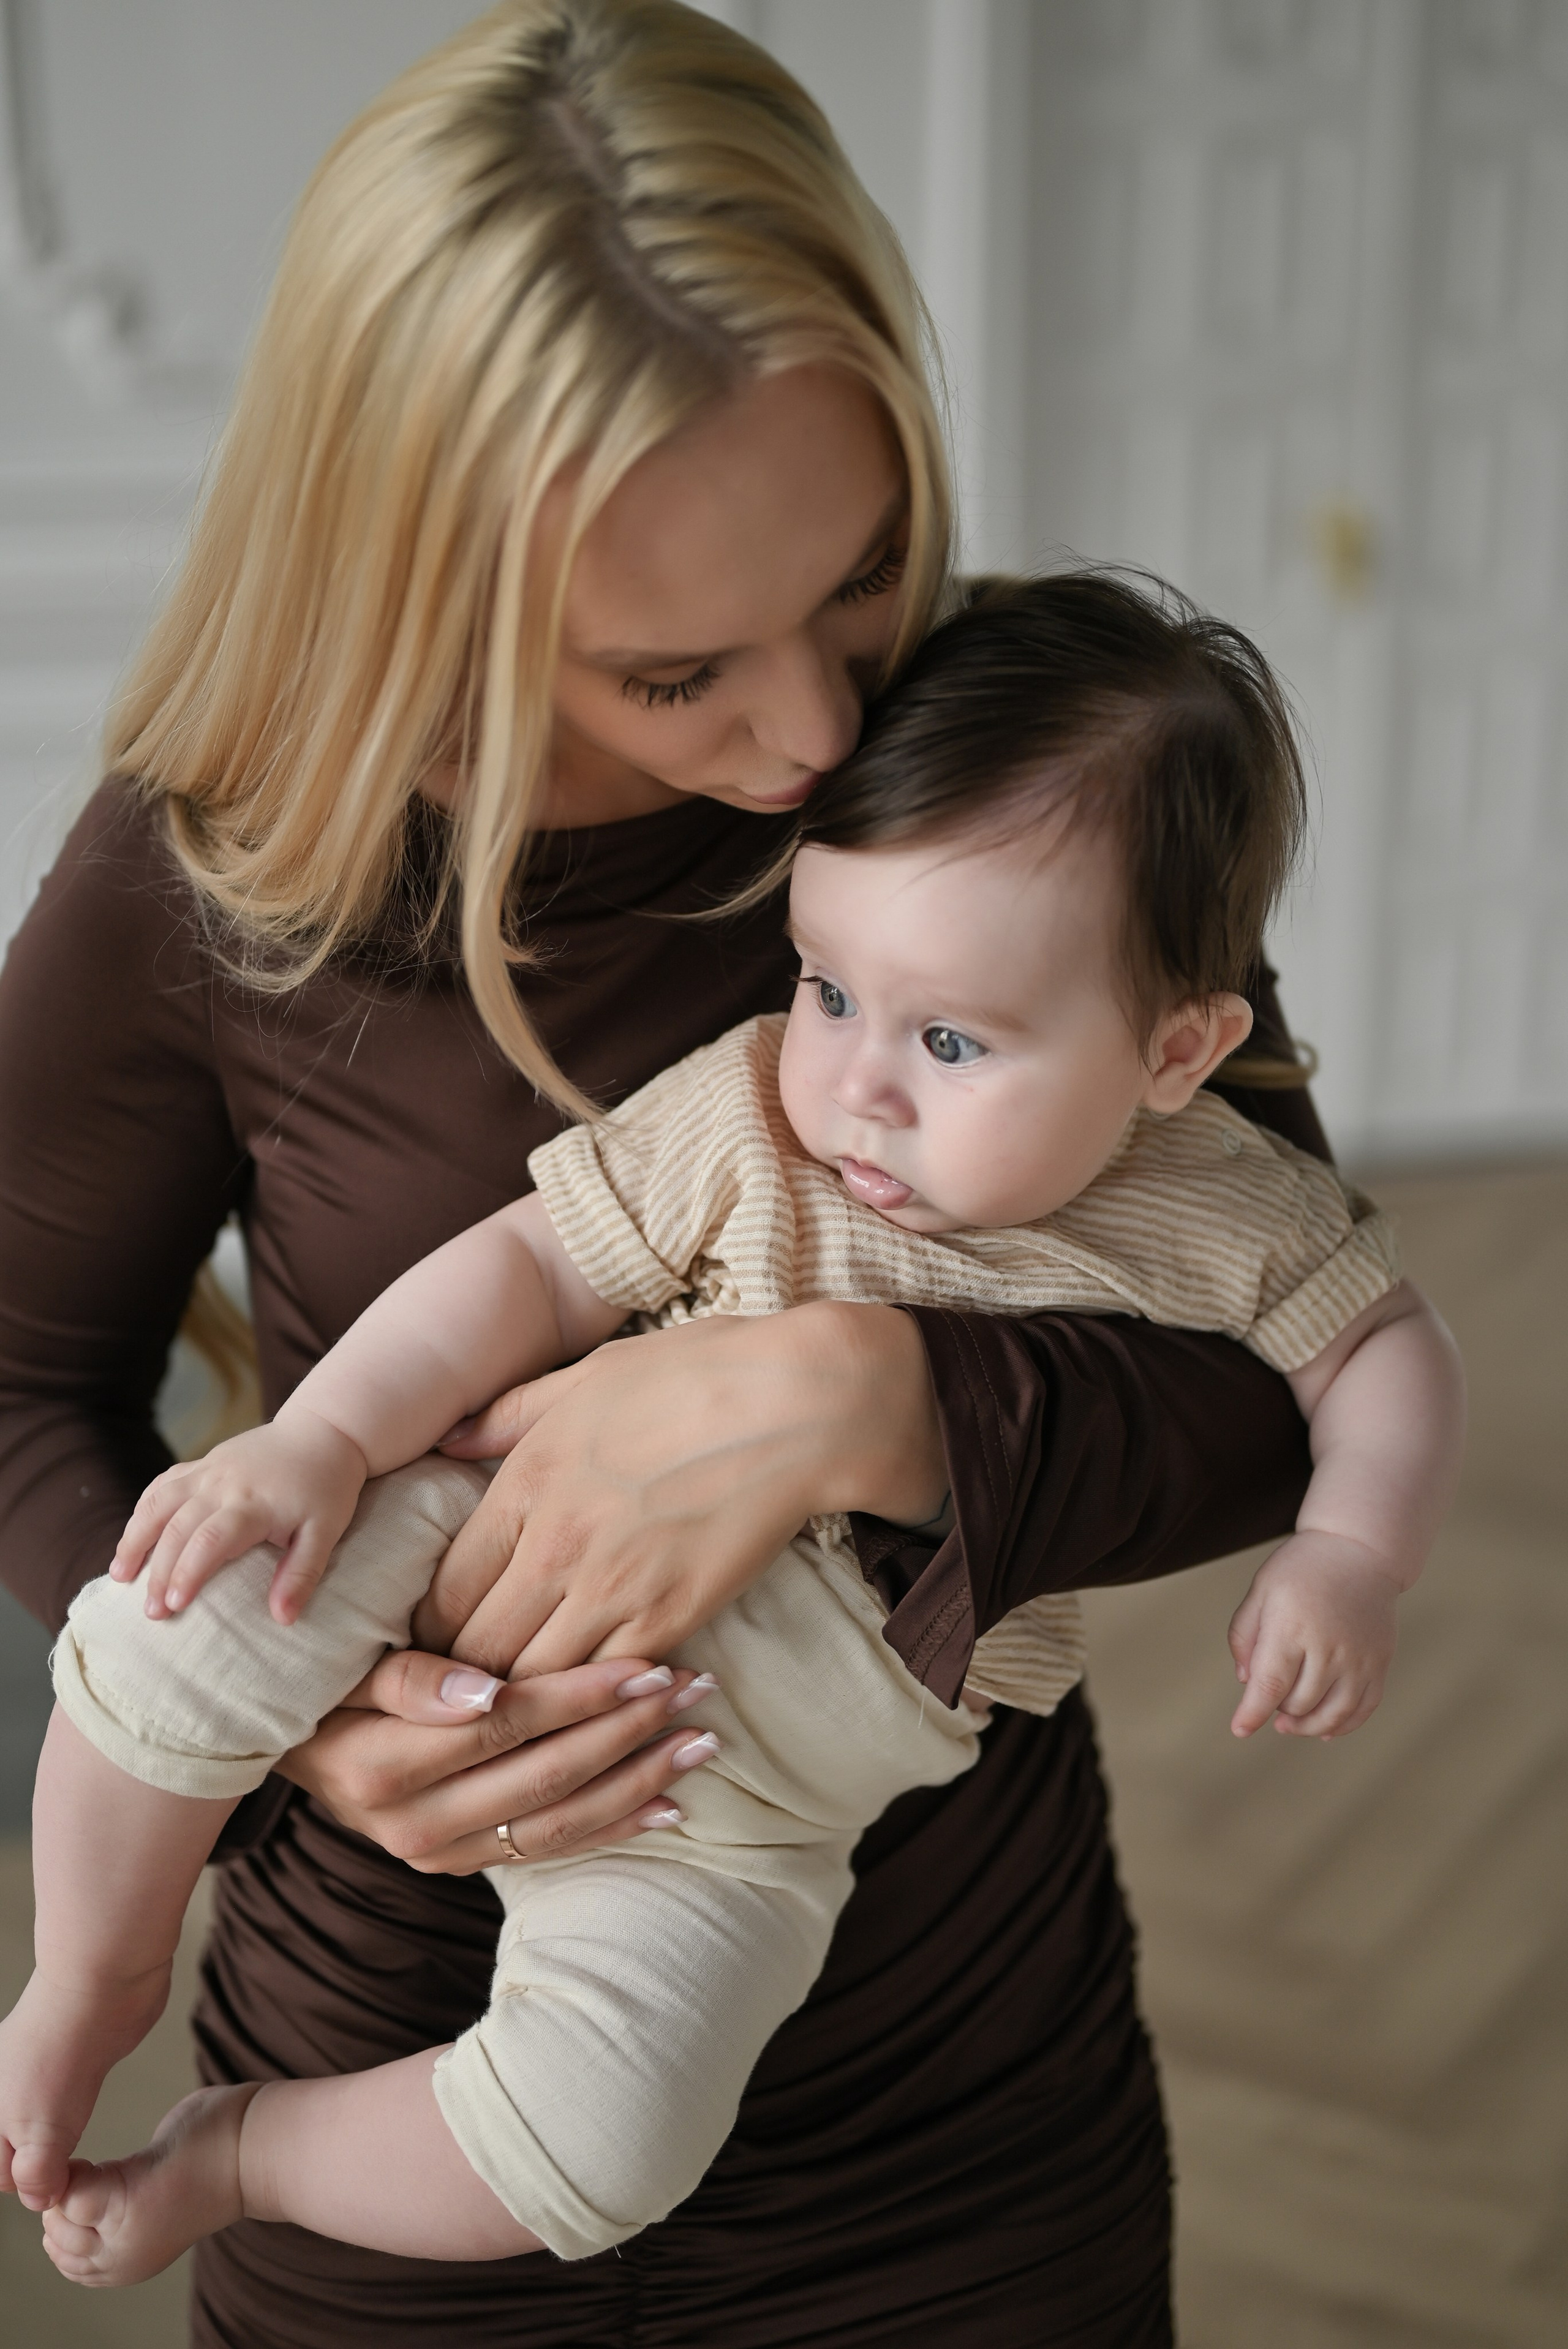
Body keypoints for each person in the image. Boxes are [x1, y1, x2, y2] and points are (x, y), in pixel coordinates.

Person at [0, 6, 1365, 2342]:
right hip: (388, 2105)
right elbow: (22, 1382)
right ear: (430, 600)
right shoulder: (210, 875)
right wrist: (309, 1735)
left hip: (951, 2106)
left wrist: (870, 1393)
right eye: (674, 676)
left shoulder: (1013, 772)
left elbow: (1288, 1369)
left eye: (857, 584)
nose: (825, 738)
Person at [6, 573, 1463, 2287]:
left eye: (946, 1036)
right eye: (829, 985)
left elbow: (1382, 1346)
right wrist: (320, 1442)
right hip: (480, 1541)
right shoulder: (752, 1113)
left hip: (757, 1798)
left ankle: (242, 2151)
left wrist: (1354, 1550)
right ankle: (93, 1962)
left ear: (1177, 1048)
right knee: (175, 1617)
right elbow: (522, 1273)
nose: (853, 1079)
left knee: (598, 2140)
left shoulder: (1223, 1200)